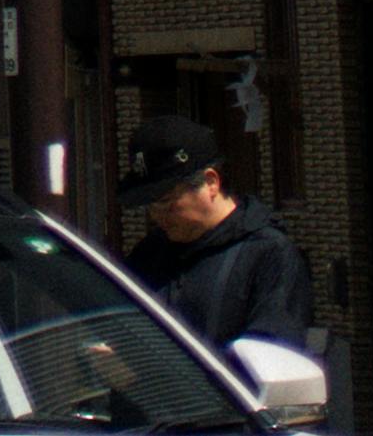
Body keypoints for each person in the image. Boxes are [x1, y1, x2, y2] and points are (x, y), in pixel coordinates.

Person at [122, 124, 319, 375]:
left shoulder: (268, 252)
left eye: (165, 201)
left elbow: (273, 355)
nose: (156, 216)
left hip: (229, 410)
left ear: (210, 183)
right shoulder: (149, 255)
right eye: (149, 205)